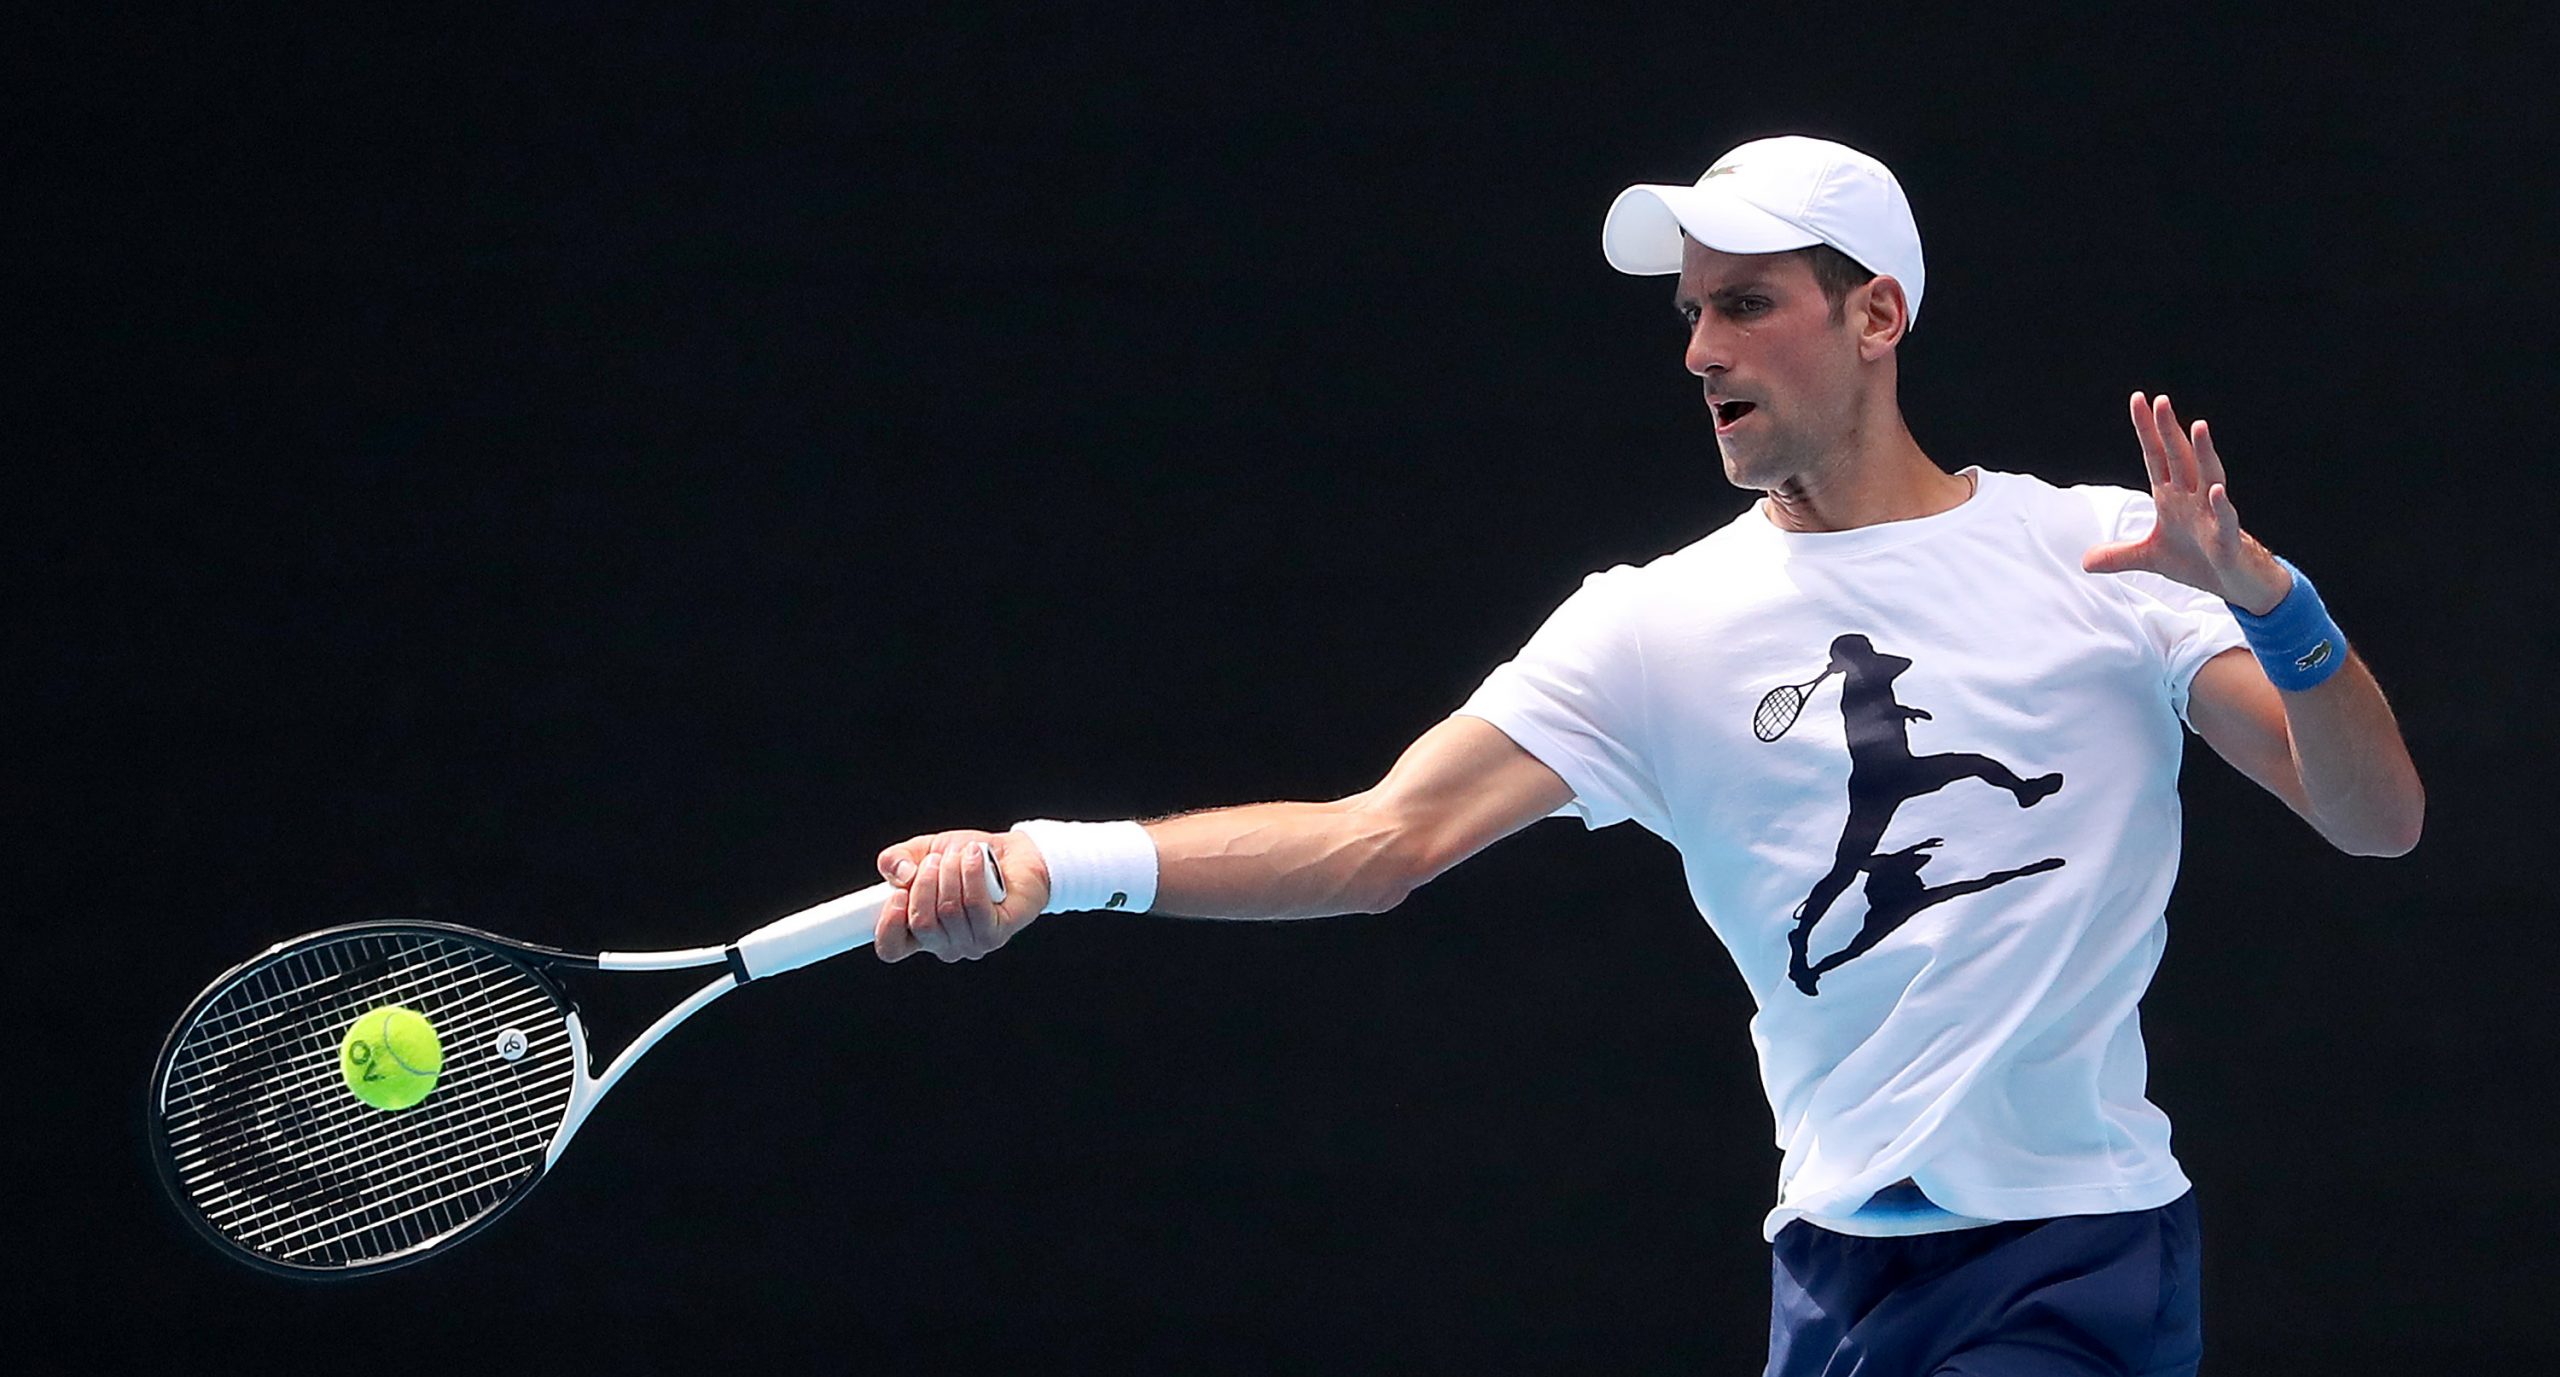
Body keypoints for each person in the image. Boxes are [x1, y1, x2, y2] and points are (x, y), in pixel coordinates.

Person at [865, 136, 2424, 1375]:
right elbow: (1375, 841)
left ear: (1877, 314)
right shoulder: (1650, 627)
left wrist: (2272, 602)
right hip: (1830, 1271)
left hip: (2077, 1259)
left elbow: (2376, 819)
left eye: (1745, 301)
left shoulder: (2107, 556)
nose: (1697, 348)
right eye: (1689, 308)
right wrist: (1043, 864)